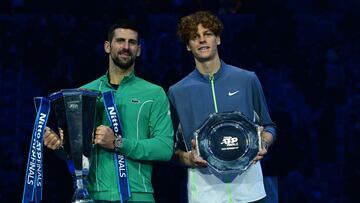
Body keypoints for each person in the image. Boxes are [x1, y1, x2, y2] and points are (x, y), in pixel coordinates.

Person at [43, 18, 174, 203]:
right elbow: (74, 152)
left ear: (139, 50)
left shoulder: (154, 93)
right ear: (107, 46)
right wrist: (59, 147)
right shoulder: (83, 93)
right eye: (120, 41)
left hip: (137, 197)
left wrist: (118, 143)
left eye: (132, 42)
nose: (126, 47)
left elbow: (165, 148)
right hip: (92, 196)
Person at [168, 11, 276, 203]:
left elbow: (269, 127)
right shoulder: (177, 92)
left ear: (217, 39)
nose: (202, 40)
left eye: (208, 34)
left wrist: (264, 143)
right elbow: (171, 150)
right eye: (194, 37)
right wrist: (189, 158)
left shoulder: (247, 79)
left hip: (251, 190)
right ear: (188, 46)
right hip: (204, 194)